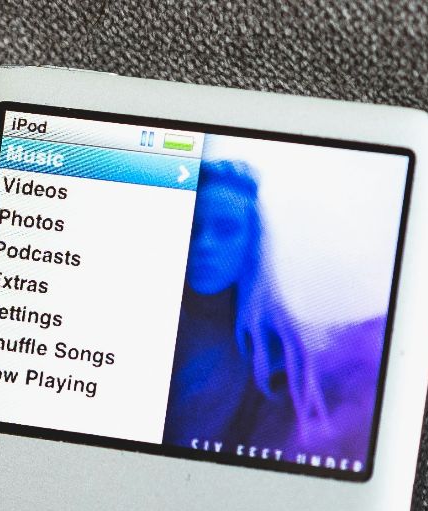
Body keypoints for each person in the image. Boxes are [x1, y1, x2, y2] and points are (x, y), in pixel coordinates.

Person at [162, 159, 379, 464]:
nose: (204, 244)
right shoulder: (142, 320)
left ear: (251, 242)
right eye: (192, 228)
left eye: (226, 229)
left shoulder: (276, 353)